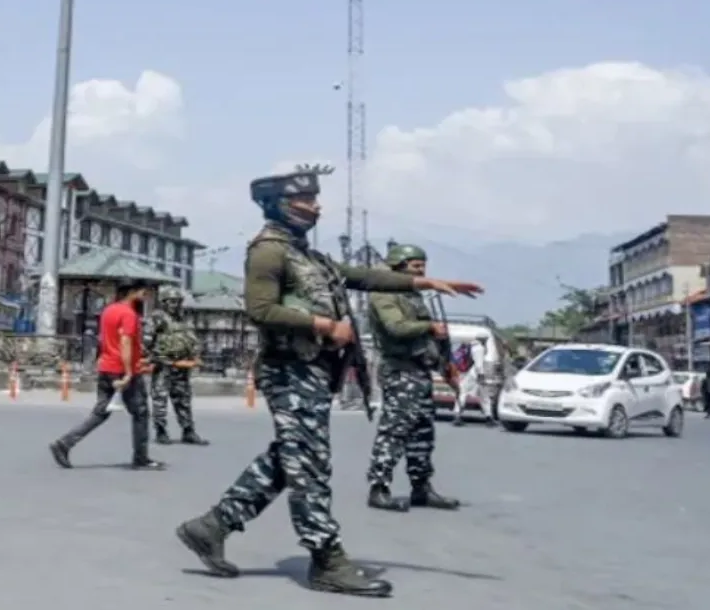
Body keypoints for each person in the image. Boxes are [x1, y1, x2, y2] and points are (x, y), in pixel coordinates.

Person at [173, 172, 483, 597]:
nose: (316, 206)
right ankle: (326, 559)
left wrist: (423, 283)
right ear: (277, 204)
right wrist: (323, 324)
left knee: (290, 457)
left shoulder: (307, 256)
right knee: (311, 465)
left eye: (315, 199)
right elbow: (260, 309)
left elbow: (360, 277)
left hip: (313, 371)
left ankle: (210, 527)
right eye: (305, 199)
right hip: (289, 370)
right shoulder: (268, 252)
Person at [365, 244, 466, 513]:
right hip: (400, 370)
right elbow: (396, 327)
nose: (422, 270)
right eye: (415, 266)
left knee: (422, 433)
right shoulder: (384, 294)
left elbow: (430, 338)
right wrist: (429, 326)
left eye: (423, 265)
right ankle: (379, 488)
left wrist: (447, 367)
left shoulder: (414, 295)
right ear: (398, 266)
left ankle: (421, 488)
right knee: (394, 431)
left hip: (420, 371)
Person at [49, 280, 165, 470]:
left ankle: (65, 443)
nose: (147, 294)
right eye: (144, 290)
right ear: (133, 292)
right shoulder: (129, 314)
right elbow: (125, 342)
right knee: (140, 413)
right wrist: (129, 371)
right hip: (123, 370)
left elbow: (106, 339)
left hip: (107, 367)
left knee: (101, 412)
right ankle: (141, 457)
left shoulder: (109, 310)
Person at [145, 286, 208, 445]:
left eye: (177, 301)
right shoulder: (157, 318)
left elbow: (192, 339)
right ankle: (161, 431)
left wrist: (195, 354)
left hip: (181, 366)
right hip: (164, 365)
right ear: (164, 302)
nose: (175, 304)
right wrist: (155, 357)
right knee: (160, 399)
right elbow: (146, 340)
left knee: (184, 400)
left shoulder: (182, 319)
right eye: (171, 301)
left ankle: (188, 431)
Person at [453, 336, 492, 426]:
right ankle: (488, 417)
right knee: (483, 395)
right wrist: (481, 375)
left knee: (463, 392)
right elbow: (479, 364)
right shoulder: (479, 348)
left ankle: (457, 415)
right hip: (477, 374)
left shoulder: (471, 346)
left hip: (472, 373)